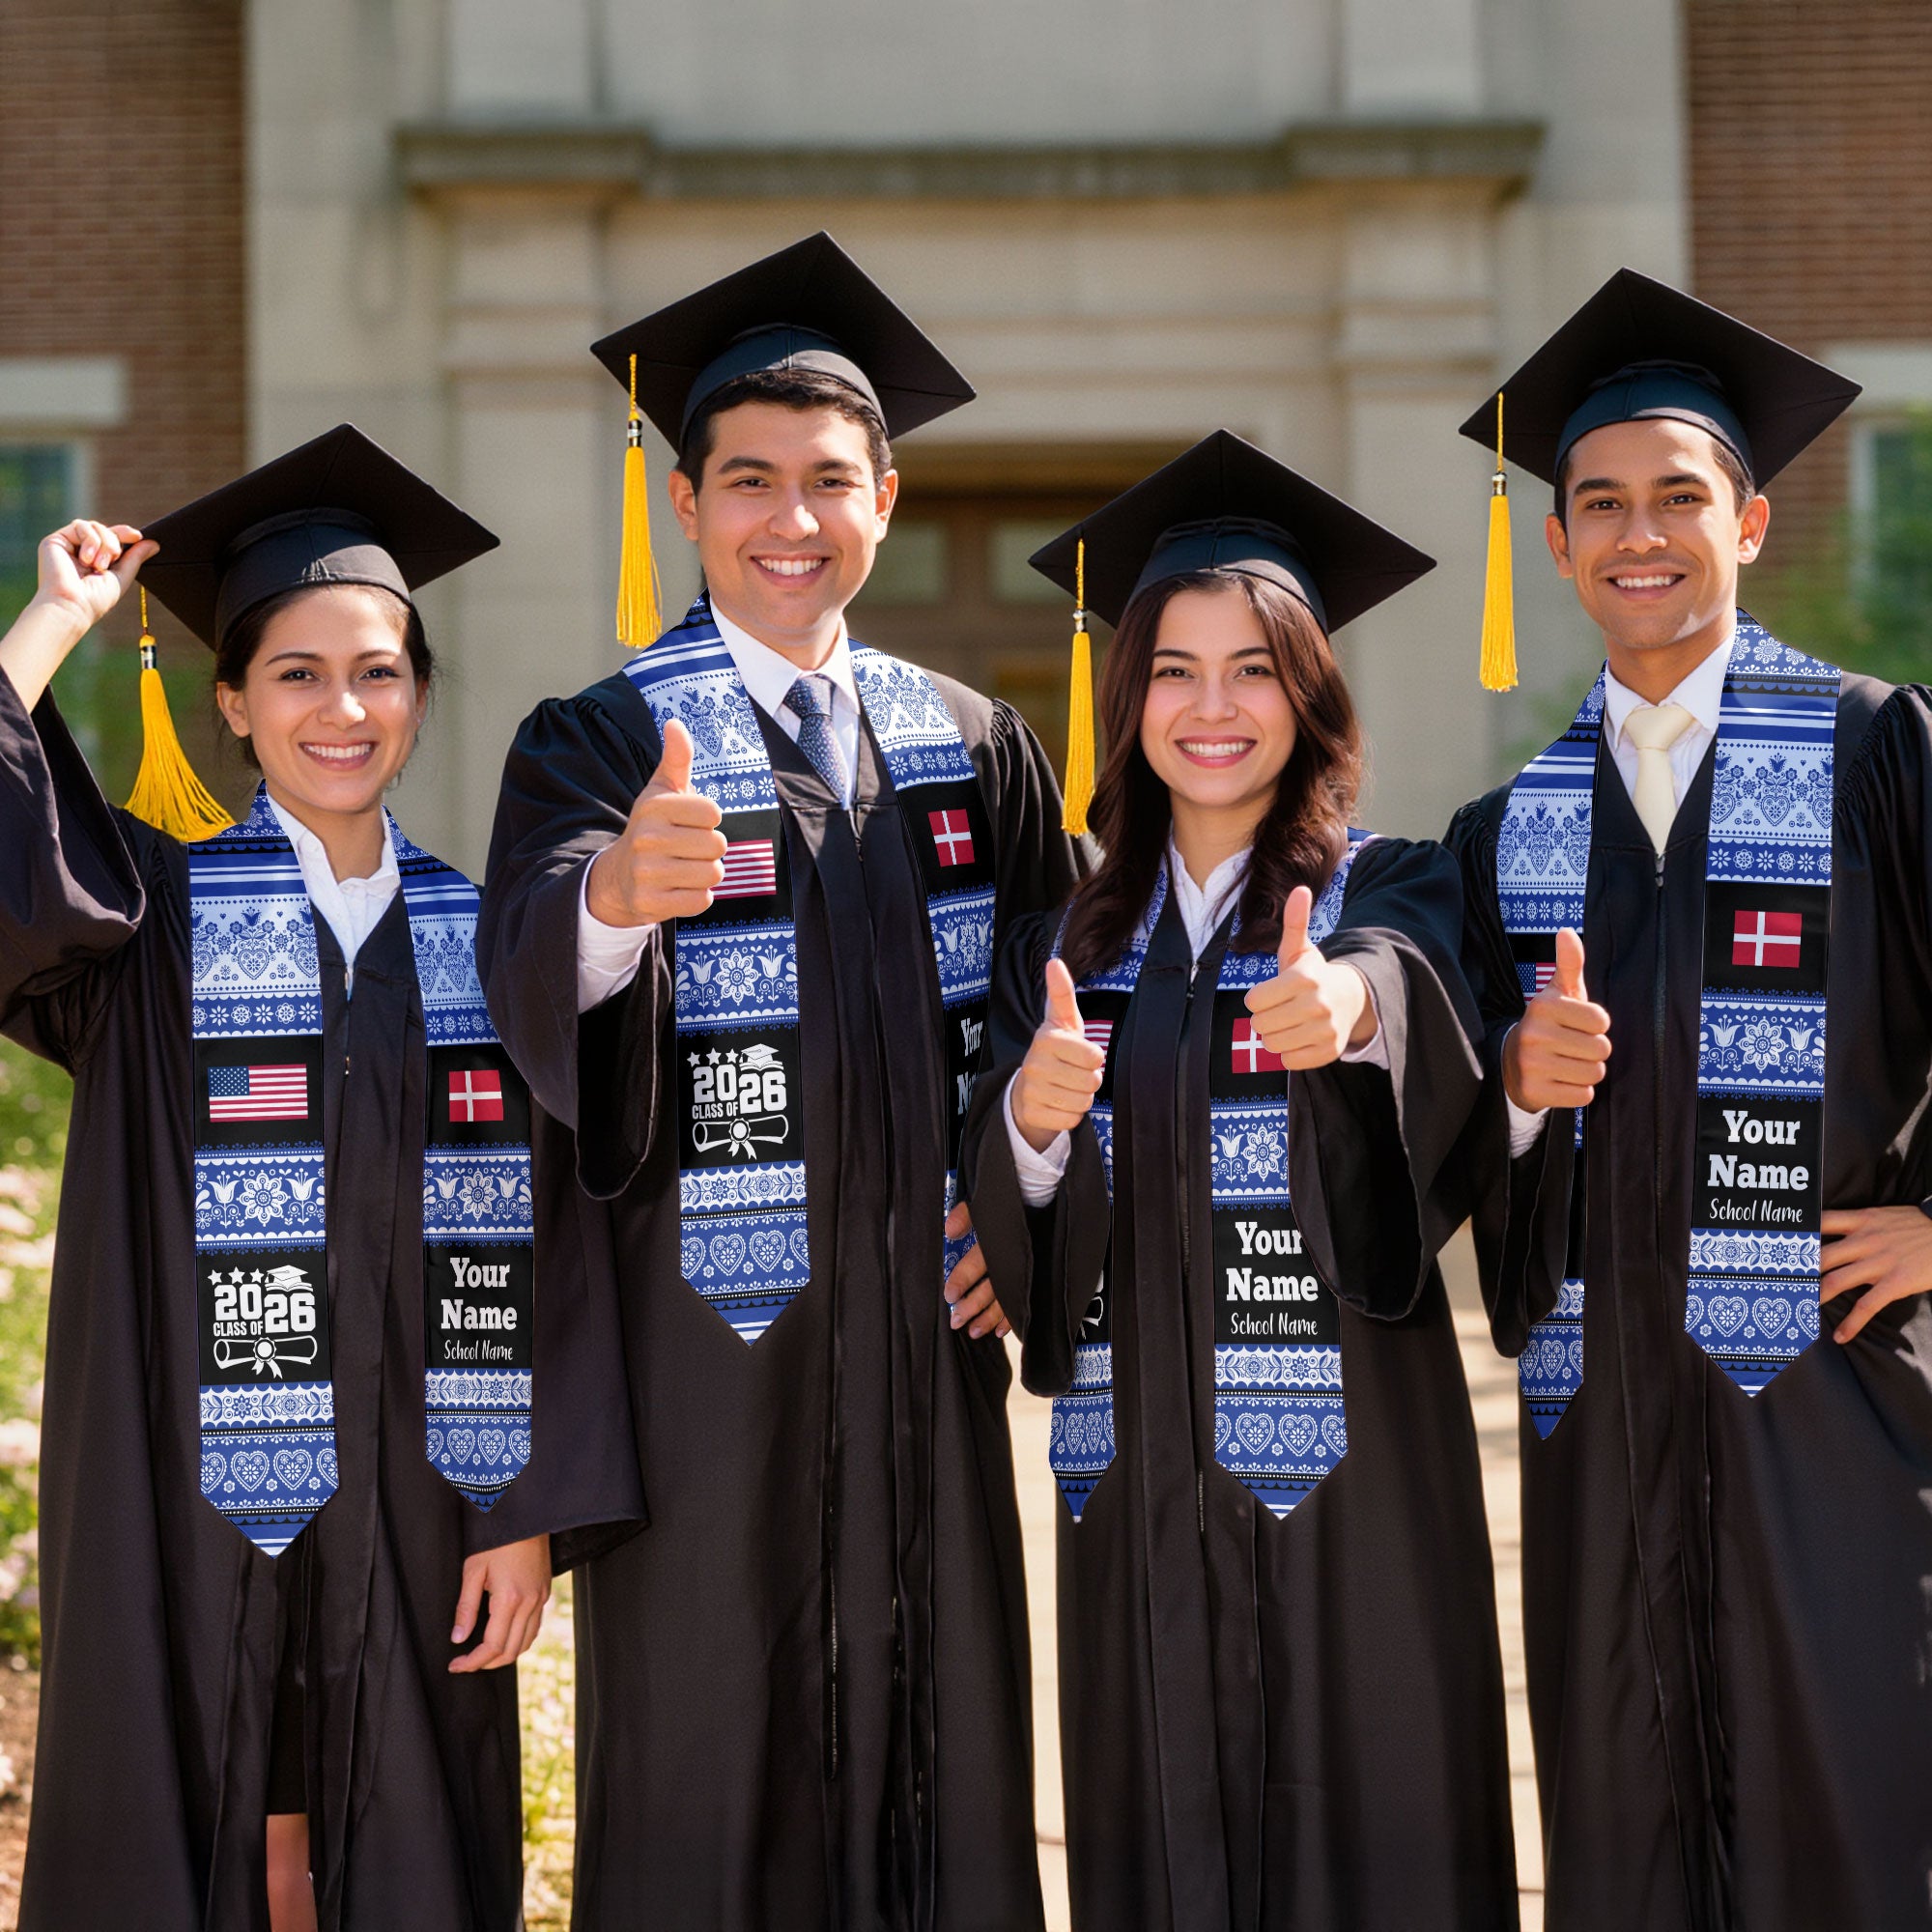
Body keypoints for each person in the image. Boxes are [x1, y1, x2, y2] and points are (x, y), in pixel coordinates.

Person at [477, 233, 1081, 1930]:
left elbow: (1072, 1006)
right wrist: (611, 899)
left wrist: (1021, 1204)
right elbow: (527, 959)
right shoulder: (601, 739)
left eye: (830, 480)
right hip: (707, 1366)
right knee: (710, 1769)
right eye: (750, 481)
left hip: (922, 1353)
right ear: (686, 504)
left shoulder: (972, 739)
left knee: (941, 1752)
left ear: (886, 497)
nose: (790, 519)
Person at [0, 425, 639, 1932]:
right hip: (183, 1485)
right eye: (295, 673)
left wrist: (528, 1508)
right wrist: (51, 625)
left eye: (378, 671)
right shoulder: (145, 922)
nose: (340, 708)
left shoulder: (494, 940)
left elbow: (564, 1242)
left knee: (405, 1837)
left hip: (429, 1496)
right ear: (230, 701)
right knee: (200, 1810)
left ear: (419, 695)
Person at [960, 431, 1518, 1930]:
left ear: (1311, 692)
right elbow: (1017, 1222)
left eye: (1256, 668)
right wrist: (1028, 1120)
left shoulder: (1389, 886)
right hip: (1137, 1474)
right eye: (1176, 670)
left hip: (1356, 1477)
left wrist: (1349, 1013)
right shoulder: (1063, 947)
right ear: (1127, 695)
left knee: (1377, 1827)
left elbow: (1416, 994)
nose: (1215, 708)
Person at [1446, 270, 1932, 1930]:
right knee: (1625, 1820)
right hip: (1606, 1426)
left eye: (1678, 497)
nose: (1637, 534)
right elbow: (1447, 1140)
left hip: (1835, 1399)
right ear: (1562, 543)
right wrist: (1513, 1091)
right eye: (1599, 504)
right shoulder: (1510, 830)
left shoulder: (1877, 750)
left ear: (1752, 520)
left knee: (1853, 1806)